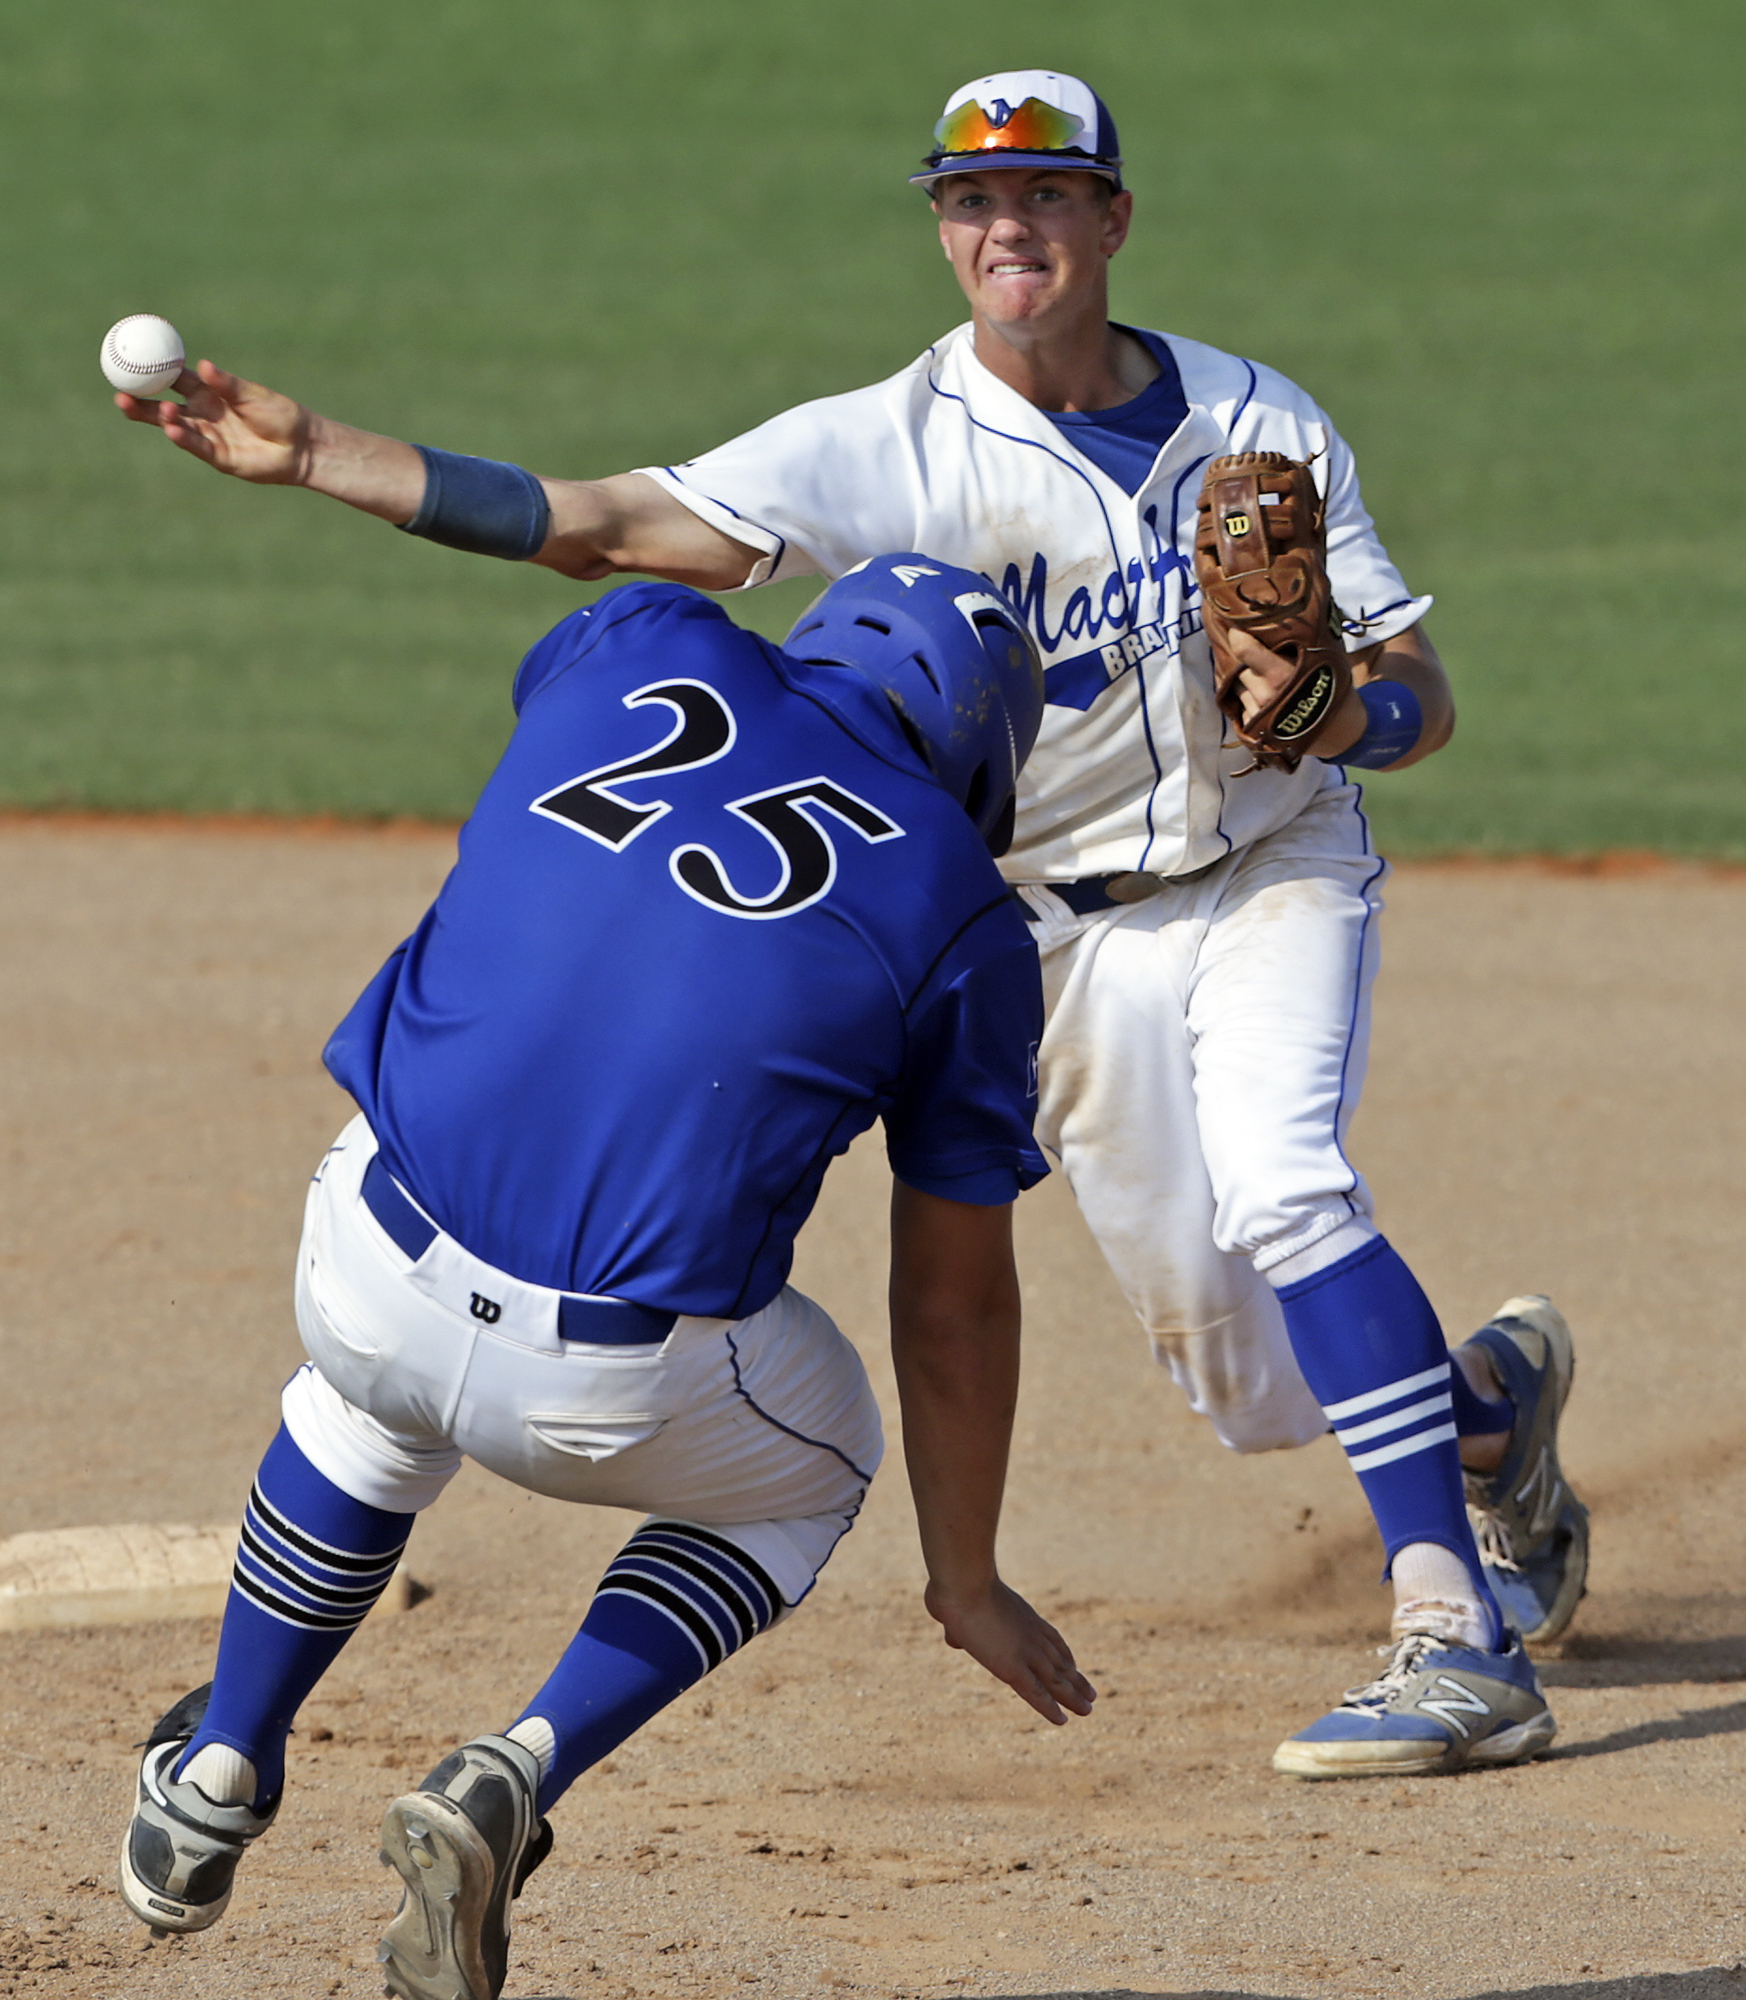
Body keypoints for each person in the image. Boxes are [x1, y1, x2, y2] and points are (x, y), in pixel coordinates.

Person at [116, 67, 1587, 1777]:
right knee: (1256, 1383)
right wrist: (320, 458)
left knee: (1285, 1184)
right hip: (1039, 935)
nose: (1006, 226)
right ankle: (1484, 1417)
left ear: (1111, 218)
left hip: (1270, 872)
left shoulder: (1260, 421)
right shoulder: (876, 447)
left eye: (1044, 194)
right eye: (971, 201)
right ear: (945, 231)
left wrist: (1342, 721)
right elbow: (595, 528)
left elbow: (1421, 694)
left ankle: (1449, 1627)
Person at [117, 556, 1095, 2000]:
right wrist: (966, 1579)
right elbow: (949, 1304)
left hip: (364, 1268)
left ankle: (212, 1769)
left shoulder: (637, 640)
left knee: (369, 1396)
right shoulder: (962, 913)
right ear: (977, 753)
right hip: (608, 1390)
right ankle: (516, 1767)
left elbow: (617, 624)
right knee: (815, 1469)